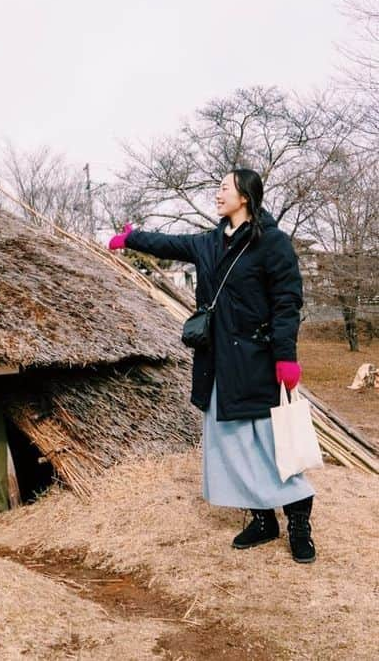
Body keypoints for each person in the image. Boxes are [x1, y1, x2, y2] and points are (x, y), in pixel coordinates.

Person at [107, 169, 316, 563]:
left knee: (271, 446)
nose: (217, 194)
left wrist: (286, 356)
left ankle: (298, 520)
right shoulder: (209, 242)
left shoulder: (272, 244)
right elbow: (169, 244)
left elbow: (287, 303)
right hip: (217, 362)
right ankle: (262, 519)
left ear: (246, 196)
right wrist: (132, 238)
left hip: (257, 361)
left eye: (224, 187)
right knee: (234, 444)